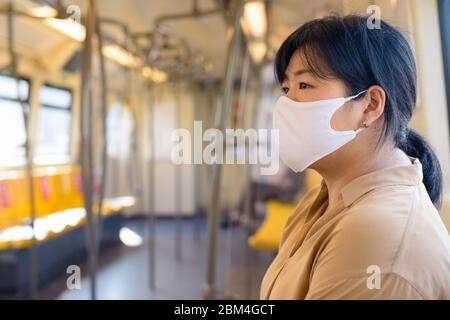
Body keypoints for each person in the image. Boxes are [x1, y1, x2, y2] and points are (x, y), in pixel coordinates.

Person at [261, 15, 450, 300]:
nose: (286, 104)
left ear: (370, 105)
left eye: (305, 86)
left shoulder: (376, 235)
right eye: (286, 88)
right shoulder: (319, 202)